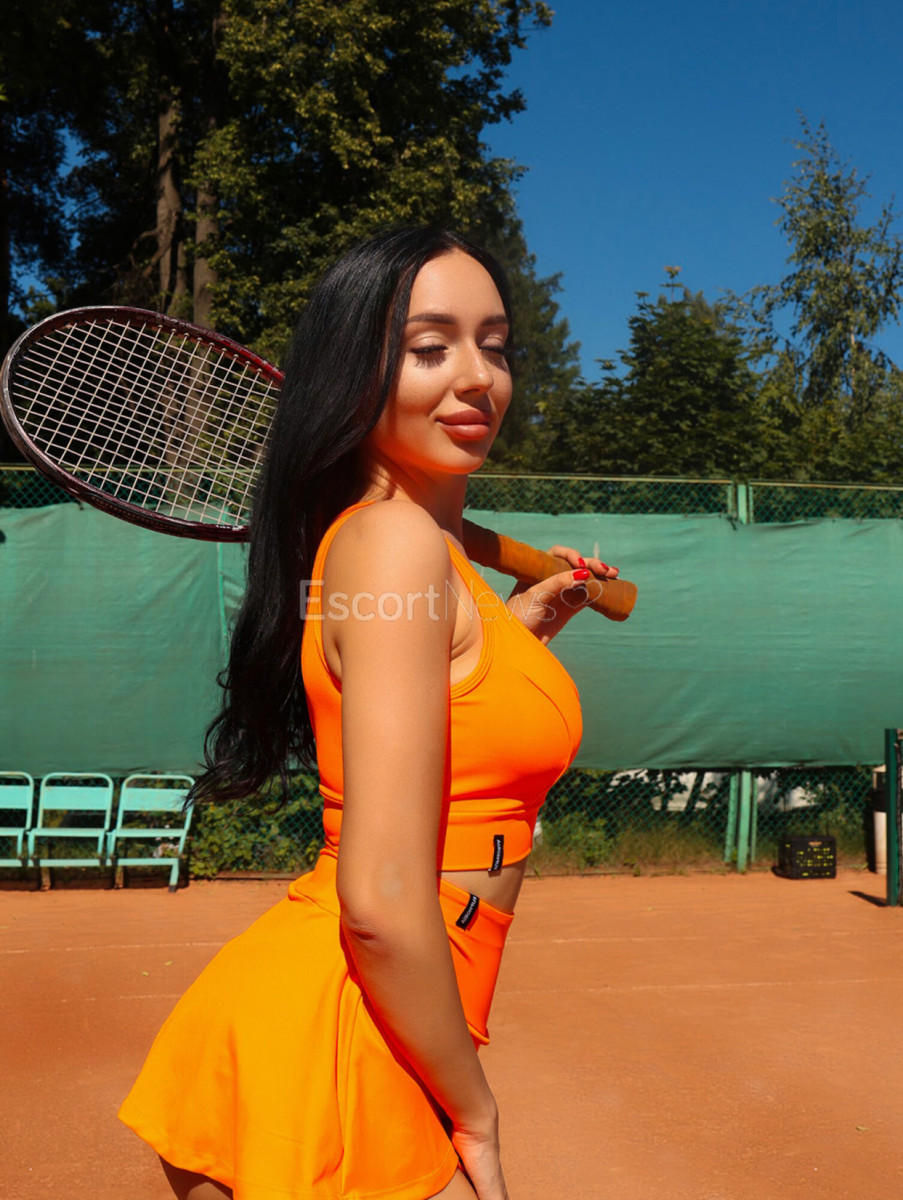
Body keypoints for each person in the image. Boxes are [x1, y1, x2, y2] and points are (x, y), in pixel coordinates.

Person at [118, 226, 618, 1200]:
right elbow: (384, 901)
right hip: (346, 1026)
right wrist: (476, 1112)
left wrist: (519, 631)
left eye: (496, 346)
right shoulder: (395, 544)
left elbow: (449, 715)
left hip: (386, 1007)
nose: (477, 377)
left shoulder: (419, 556)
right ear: (355, 374)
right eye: (430, 347)